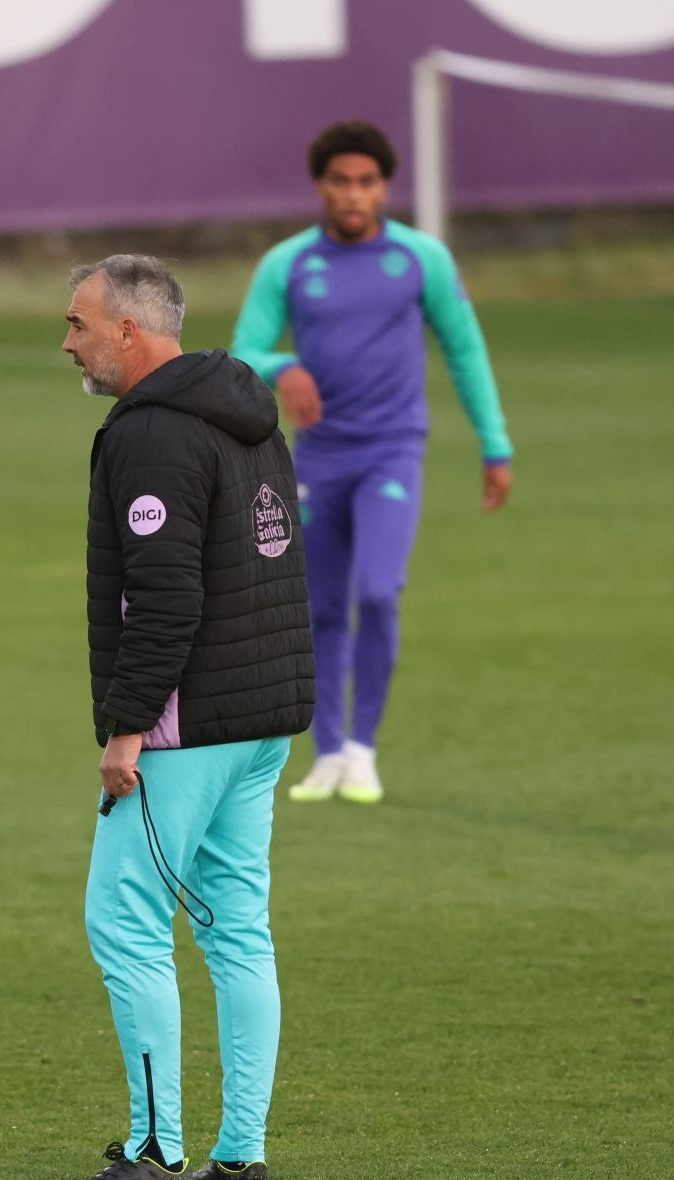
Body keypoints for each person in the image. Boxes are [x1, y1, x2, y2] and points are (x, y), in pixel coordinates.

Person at [52, 255, 314, 1180]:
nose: (69, 341)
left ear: (130, 331)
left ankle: (153, 1154)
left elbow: (163, 596)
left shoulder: (154, 435)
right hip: (261, 715)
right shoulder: (240, 409)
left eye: (79, 323)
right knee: (238, 928)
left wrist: (126, 731)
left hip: (187, 723)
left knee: (123, 920)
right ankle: (239, 1154)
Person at [232, 118, 512, 804]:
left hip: (393, 450)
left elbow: (465, 349)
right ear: (320, 186)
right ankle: (326, 752)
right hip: (318, 459)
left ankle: (363, 749)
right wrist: (283, 363)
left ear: (385, 186)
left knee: (379, 592)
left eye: (367, 182)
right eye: (340, 182)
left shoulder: (422, 260)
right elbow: (242, 354)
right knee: (320, 606)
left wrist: (494, 441)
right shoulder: (288, 265)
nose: (353, 195)